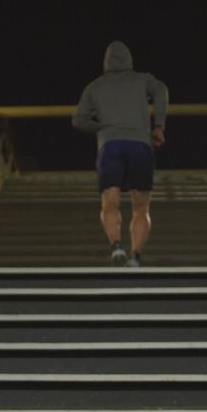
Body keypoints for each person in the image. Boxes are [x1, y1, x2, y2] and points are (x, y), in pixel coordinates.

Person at [72, 40, 168, 267]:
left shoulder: (94, 86)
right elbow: (162, 89)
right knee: (141, 206)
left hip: (110, 146)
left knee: (109, 202)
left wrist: (103, 128)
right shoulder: (141, 79)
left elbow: (78, 120)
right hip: (140, 144)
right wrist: (159, 125)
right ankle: (135, 256)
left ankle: (116, 247)